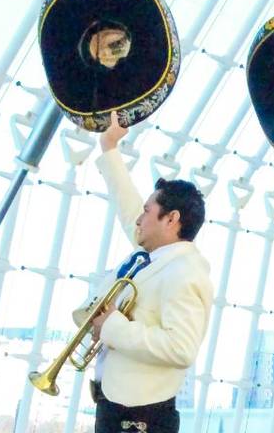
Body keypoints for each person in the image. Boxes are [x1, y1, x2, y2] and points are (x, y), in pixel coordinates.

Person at [86, 112, 213, 433]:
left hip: (143, 417)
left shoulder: (186, 271)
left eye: (147, 211)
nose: (139, 219)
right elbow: (126, 205)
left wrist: (112, 326)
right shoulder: (152, 256)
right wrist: (109, 146)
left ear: (171, 220)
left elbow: (181, 348)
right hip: (116, 407)